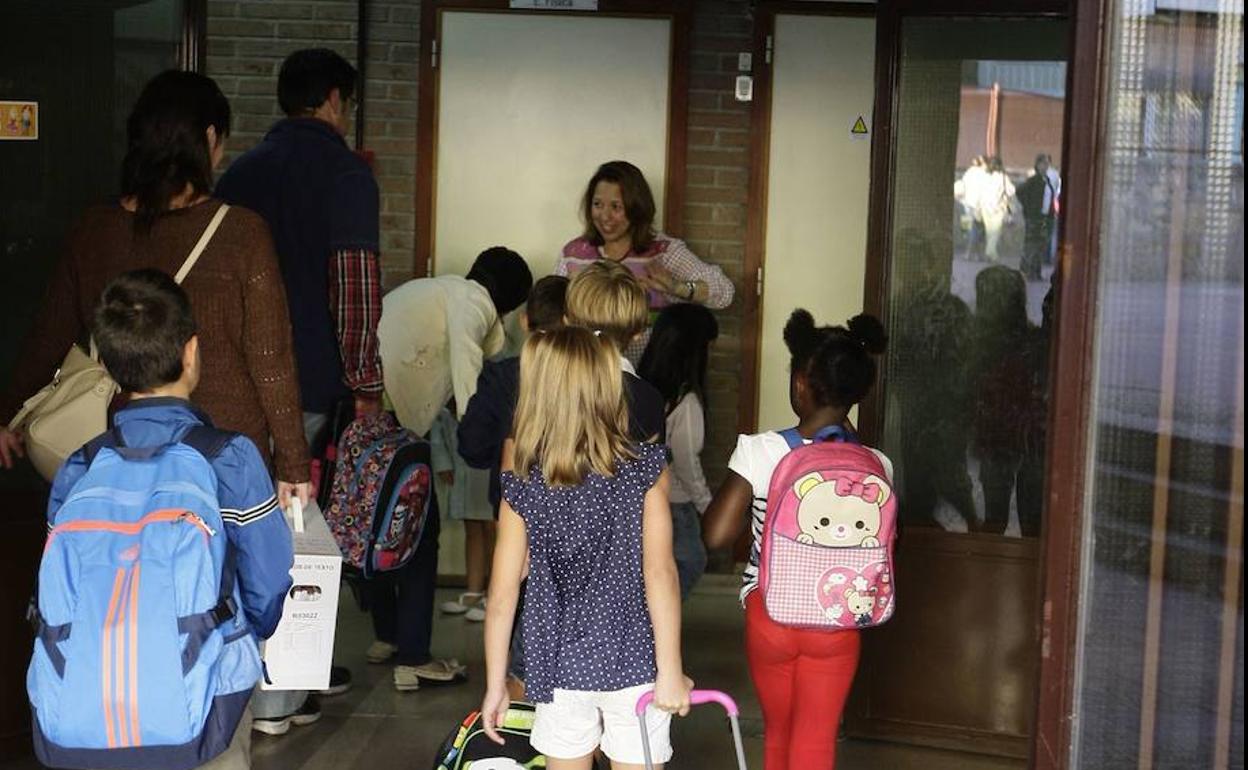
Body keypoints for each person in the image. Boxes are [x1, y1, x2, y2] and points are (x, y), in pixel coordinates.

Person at [0, 70, 310, 510]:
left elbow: (49, 334)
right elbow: (270, 358)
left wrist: (9, 411)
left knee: (128, 569)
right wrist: (294, 465)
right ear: (208, 138)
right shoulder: (243, 233)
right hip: (225, 457)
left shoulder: (94, 229)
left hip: (119, 452)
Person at [47, 269, 294, 769]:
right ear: (191, 352)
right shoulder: (231, 458)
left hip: (88, 702)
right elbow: (266, 585)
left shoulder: (79, 467)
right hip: (206, 700)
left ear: (108, 366)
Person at [215, 47, 377, 732]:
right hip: (309, 379)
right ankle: (280, 696)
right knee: (296, 534)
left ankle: (235, 688)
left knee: (233, 534)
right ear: (336, 100)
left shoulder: (241, 172)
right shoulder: (347, 173)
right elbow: (355, 289)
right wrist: (366, 382)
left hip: (226, 384)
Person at [480, 326, 693, 770]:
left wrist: (496, 682)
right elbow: (661, 574)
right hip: (636, 660)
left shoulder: (523, 484)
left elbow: (502, 595)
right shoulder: (645, 472)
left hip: (555, 663)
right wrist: (670, 669)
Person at [702, 309, 890, 770]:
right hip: (840, 617)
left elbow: (717, 534)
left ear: (801, 382)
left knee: (779, 734)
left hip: (771, 613)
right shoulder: (877, 465)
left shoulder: (761, 449)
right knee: (816, 740)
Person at [554, 160, 735, 361]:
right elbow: (552, 312)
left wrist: (677, 288)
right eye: (597, 205)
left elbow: (725, 292)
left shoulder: (664, 252)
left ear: (637, 208)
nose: (605, 216)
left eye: (616, 207)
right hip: (585, 373)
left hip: (651, 377)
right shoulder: (573, 254)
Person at [378, 246, 533, 438]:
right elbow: (466, 363)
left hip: (373, 374)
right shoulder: (476, 300)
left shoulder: (452, 288)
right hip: (386, 386)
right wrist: (478, 427)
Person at [637, 303, 718, 599]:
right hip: (674, 500)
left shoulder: (640, 385)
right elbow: (686, 461)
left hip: (638, 495)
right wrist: (705, 503)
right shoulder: (686, 401)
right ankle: (653, 623)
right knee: (690, 560)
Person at [969, 265, 1044, 536]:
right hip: (1026, 435)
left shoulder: (976, 341)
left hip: (999, 434)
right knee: (1030, 519)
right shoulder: (1033, 340)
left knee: (996, 514)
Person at [562, 261, 667, 444]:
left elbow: (512, 465)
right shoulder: (647, 398)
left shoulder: (535, 383)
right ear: (638, 334)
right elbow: (652, 472)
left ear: (565, 322)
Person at [1016, 154, 1058, 280]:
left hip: (1046, 217)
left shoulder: (1047, 180)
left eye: (1047, 164)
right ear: (1037, 165)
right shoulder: (1033, 181)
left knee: (1040, 245)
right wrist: (1028, 209)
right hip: (1035, 217)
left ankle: (1036, 271)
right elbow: (1020, 192)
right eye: (1043, 164)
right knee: (1030, 245)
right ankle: (1025, 271)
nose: (1045, 166)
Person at [978, 156, 1016, 263]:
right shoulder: (1002, 177)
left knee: (989, 232)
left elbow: (980, 194)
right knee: (995, 232)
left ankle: (992, 254)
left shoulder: (984, 177)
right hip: (998, 208)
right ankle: (990, 252)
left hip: (985, 207)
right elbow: (1011, 191)